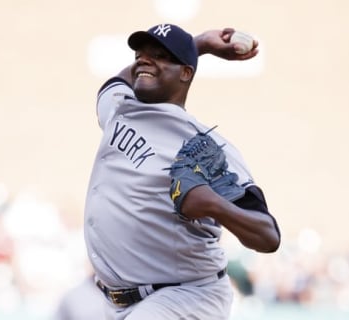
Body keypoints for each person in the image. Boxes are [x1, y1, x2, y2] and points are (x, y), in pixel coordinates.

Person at [83, 23, 281, 320]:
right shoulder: (120, 109)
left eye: (159, 55)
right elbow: (112, 84)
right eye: (141, 54)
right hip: (119, 302)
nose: (143, 60)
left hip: (186, 295)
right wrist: (199, 44)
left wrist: (216, 205)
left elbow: (268, 235)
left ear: (186, 73)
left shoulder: (207, 147)